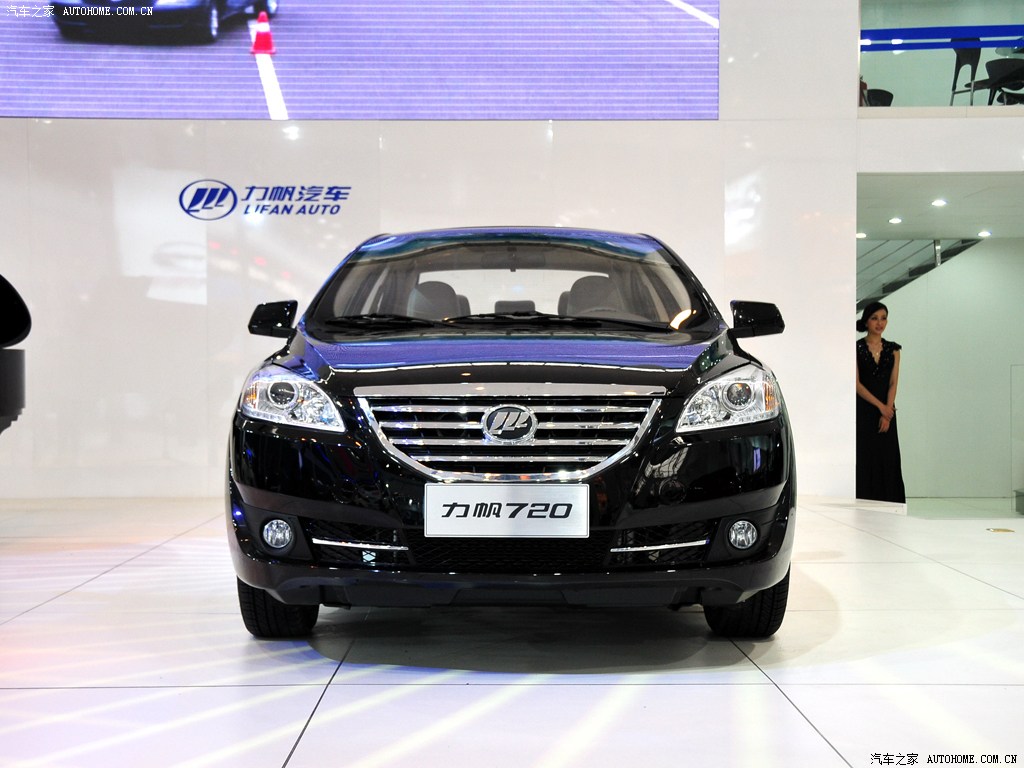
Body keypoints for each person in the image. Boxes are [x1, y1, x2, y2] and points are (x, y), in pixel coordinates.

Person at [855, 301, 906, 502]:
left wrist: (887, 412)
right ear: (866, 321)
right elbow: (857, 384)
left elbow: (893, 383)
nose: (879, 323)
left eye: (883, 318)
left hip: (887, 412)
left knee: (888, 456)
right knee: (866, 455)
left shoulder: (894, 350)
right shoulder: (856, 348)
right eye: (874, 318)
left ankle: (891, 502)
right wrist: (881, 407)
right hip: (865, 410)